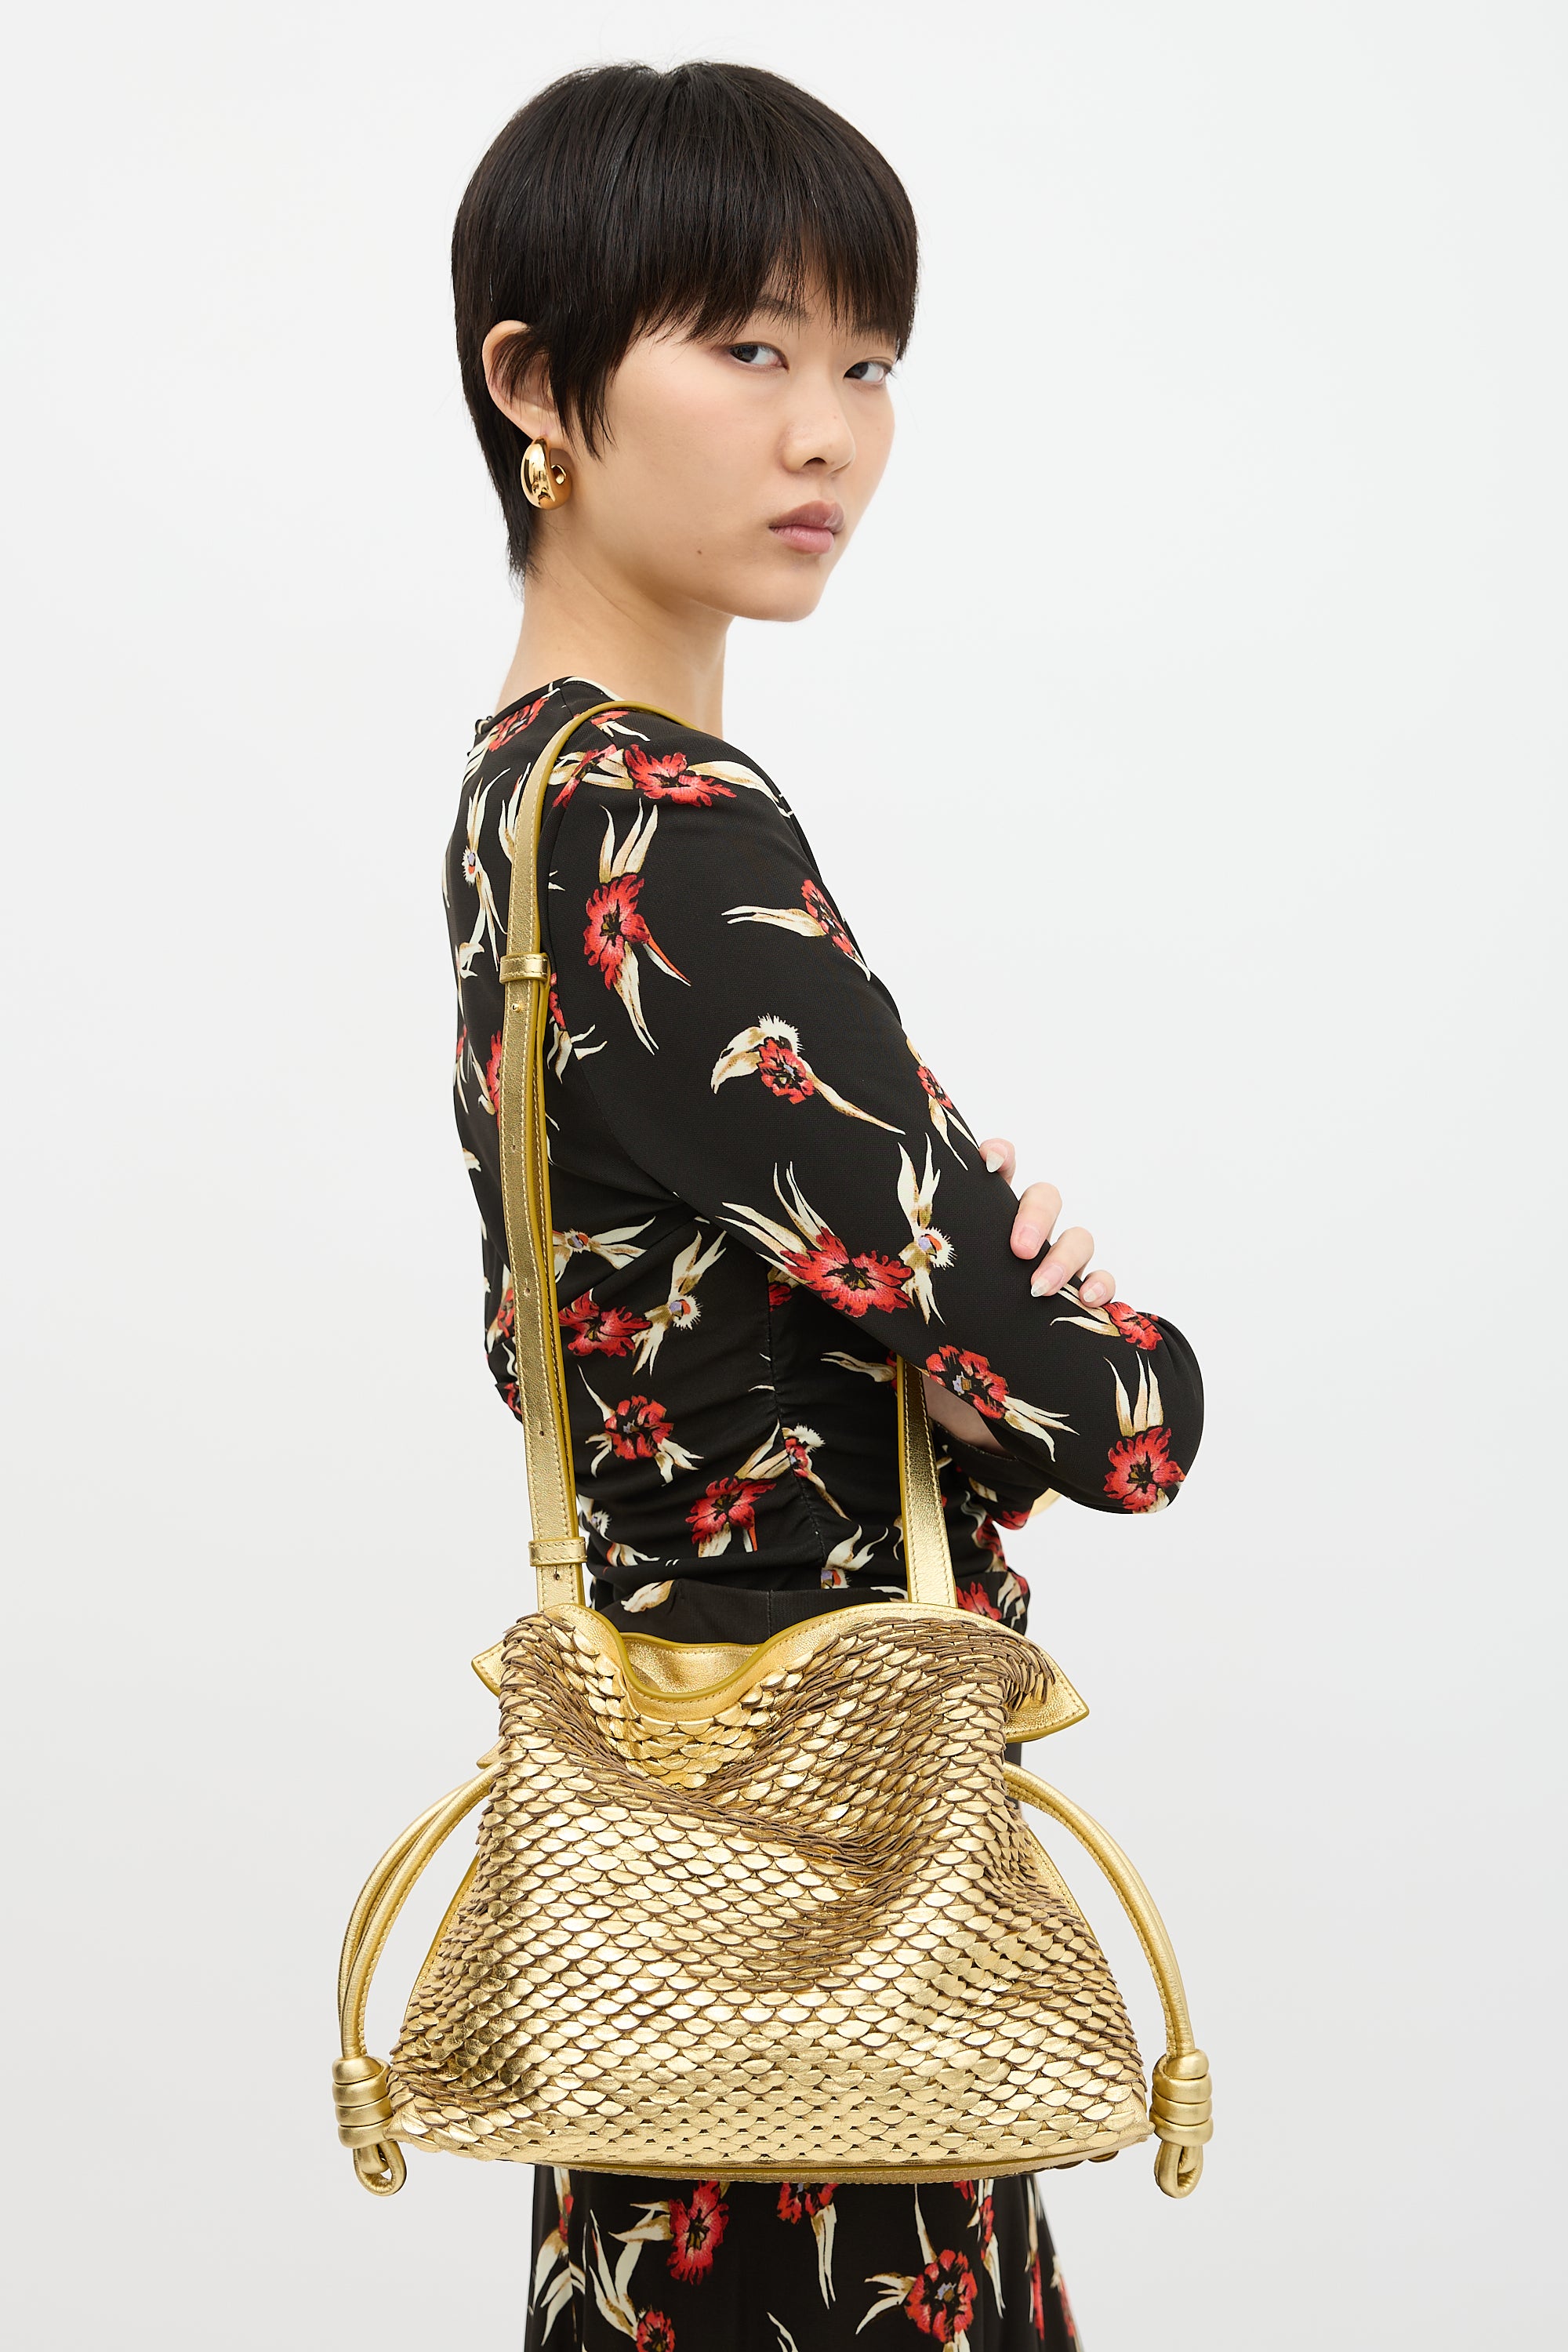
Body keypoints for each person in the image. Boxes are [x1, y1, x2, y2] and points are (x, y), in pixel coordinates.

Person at [445, 60, 1203, 2350]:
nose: (828, 434)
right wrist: (1081, 1342)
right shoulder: (668, 832)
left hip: (681, 1905)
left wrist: (932, 1341)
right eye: (749, 347)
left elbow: (662, 1346)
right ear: (535, 385)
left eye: (868, 362)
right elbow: (1108, 1413)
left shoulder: (520, 807)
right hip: (818, 1912)